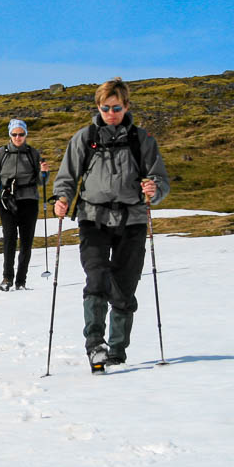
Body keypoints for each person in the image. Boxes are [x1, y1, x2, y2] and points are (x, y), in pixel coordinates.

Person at [52, 77, 170, 372]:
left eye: (116, 108)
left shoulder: (142, 140)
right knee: (97, 277)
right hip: (93, 218)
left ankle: (117, 348)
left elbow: (160, 179)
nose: (111, 113)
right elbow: (67, 176)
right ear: (98, 107)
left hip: (132, 219)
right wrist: (62, 198)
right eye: (106, 108)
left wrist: (154, 189)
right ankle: (95, 343)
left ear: (126, 106)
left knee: (124, 287)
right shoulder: (85, 138)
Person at [0, 119, 48, 291]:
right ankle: (7, 278)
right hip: (6, 200)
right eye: (14, 134)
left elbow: (41, 181)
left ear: (25, 134)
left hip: (29, 200)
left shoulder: (32, 153)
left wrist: (44, 173)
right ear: (9, 135)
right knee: (9, 238)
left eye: (21, 134)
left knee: (26, 242)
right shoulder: (1, 153)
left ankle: (21, 281)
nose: (18, 137)